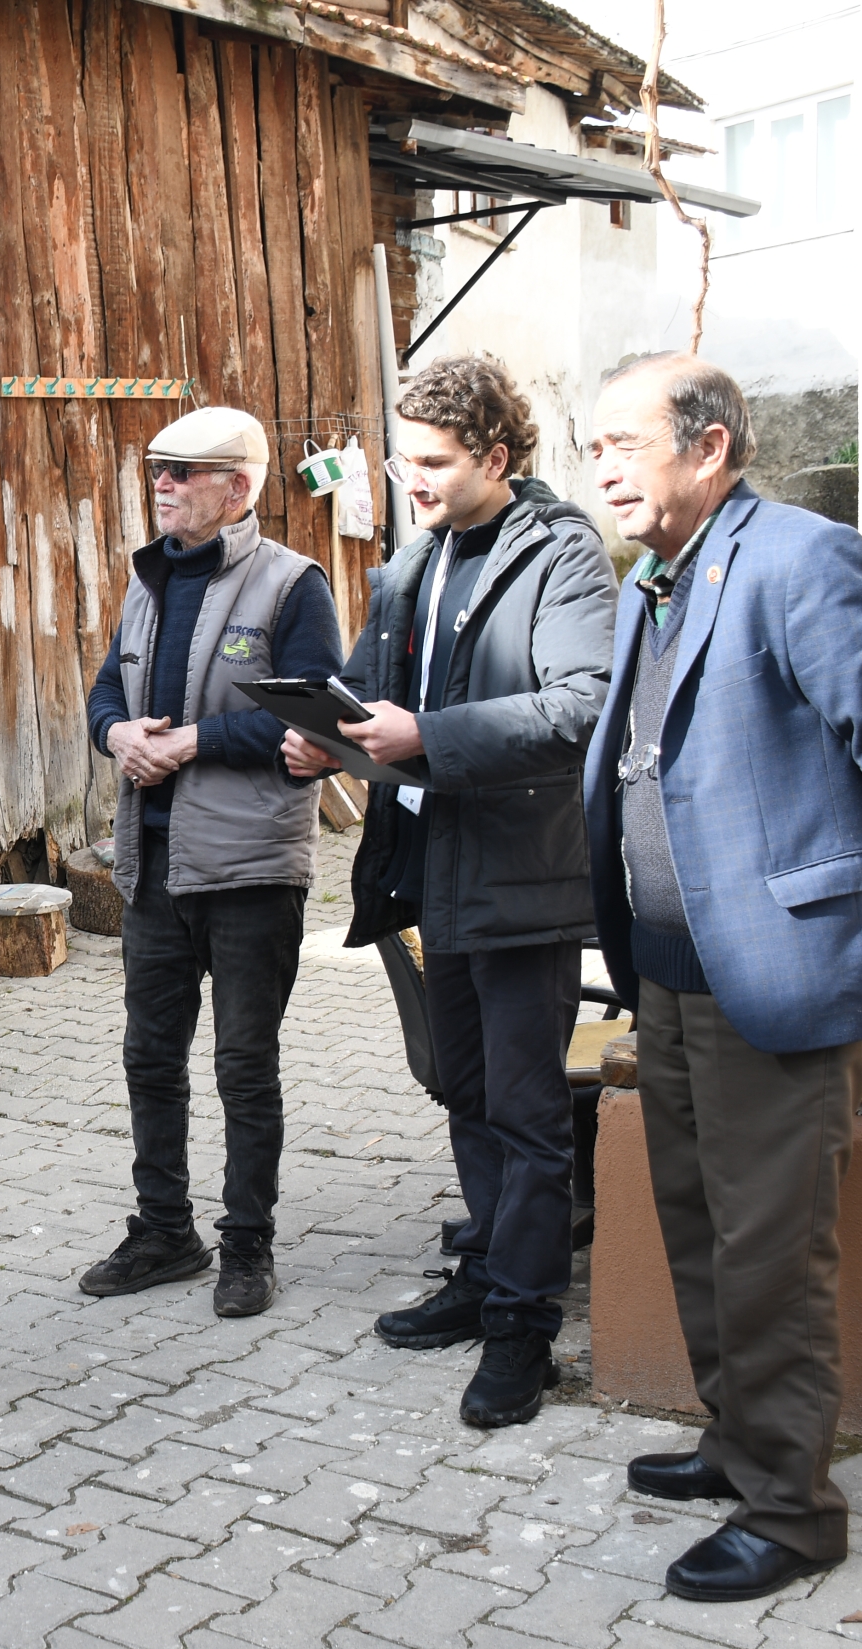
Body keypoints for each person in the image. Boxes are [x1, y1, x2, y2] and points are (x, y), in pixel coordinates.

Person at [580, 354, 862, 1600]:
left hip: (778, 968)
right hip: (673, 969)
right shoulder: (657, 577)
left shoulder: (799, 557)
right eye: (594, 449)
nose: (605, 469)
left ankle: (794, 1514)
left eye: (625, 443)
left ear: (710, 446)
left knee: (771, 1251)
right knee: (698, 1225)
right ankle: (738, 1443)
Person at [284, 355, 617, 1428]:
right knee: (464, 1089)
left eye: (431, 462)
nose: (409, 478)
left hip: (522, 875)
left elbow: (584, 705)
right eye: (400, 457)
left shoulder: (560, 554)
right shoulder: (412, 561)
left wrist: (430, 736)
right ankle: (484, 1276)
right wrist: (328, 740)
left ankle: (523, 1325)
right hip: (431, 871)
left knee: (528, 1112)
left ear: (496, 457)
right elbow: (373, 692)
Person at [81, 405, 345, 1317]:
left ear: (239, 488)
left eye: (183, 470)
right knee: (150, 1056)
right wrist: (117, 731)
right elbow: (108, 682)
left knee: (244, 1063)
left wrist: (191, 740)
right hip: (152, 866)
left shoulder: (292, 585)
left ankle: (247, 1246)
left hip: (250, 869)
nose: (161, 483)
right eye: (156, 468)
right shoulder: (146, 580)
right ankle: (164, 1231)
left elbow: (315, 715)